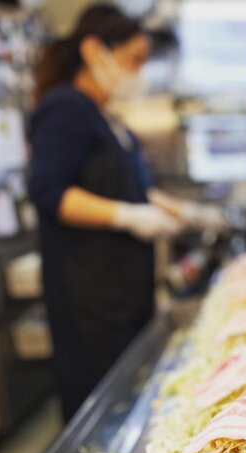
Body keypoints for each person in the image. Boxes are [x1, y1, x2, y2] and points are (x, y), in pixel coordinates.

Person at [28, 5, 201, 421]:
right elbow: (50, 192)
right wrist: (127, 216)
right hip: (90, 300)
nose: (138, 73)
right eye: (134, 60)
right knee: (98, 411)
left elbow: (134, 188)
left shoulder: (105, 117)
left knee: (128, 404)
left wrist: (186, 211)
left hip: (122, 293)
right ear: (94, 51)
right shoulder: (64, 109)